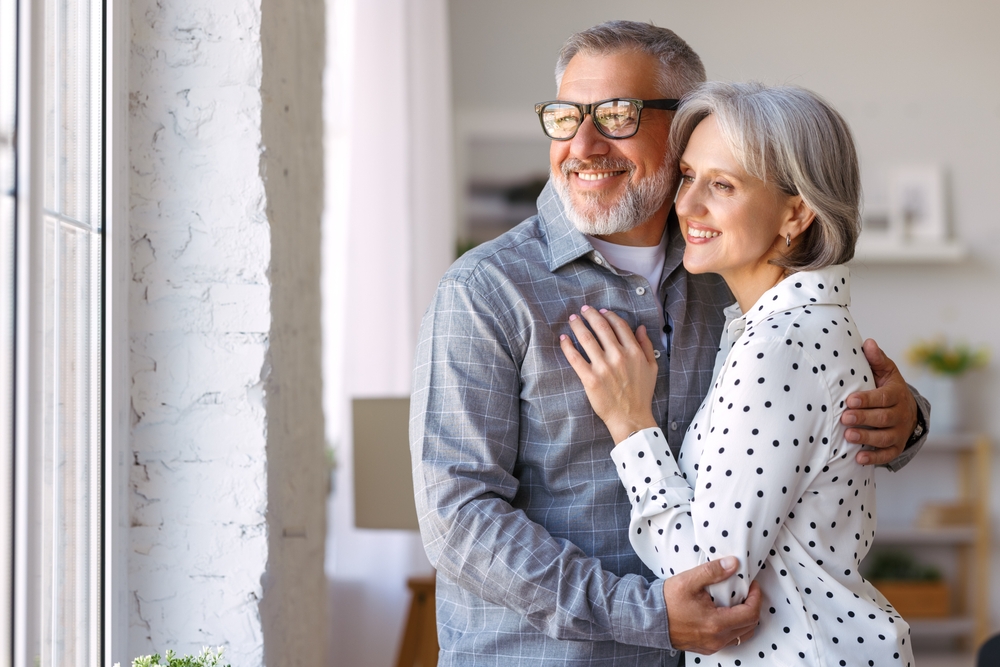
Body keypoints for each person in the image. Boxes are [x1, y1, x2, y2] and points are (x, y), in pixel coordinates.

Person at [410, 20, 929, 666]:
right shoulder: (485, 292)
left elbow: (814, 398)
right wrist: (647, 614)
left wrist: (905, 420)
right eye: (566, 116)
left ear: (682, 126)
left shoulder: (733, 266)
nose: (584, 143)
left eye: (617, 115)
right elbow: (459, 519)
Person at [560, 82, 914, 666]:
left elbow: (712, 583)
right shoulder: (773, 329)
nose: (687, 204)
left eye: (721, 185)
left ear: (796, 212)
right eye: (688, 176)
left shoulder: (780, 348)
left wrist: (630, 426)